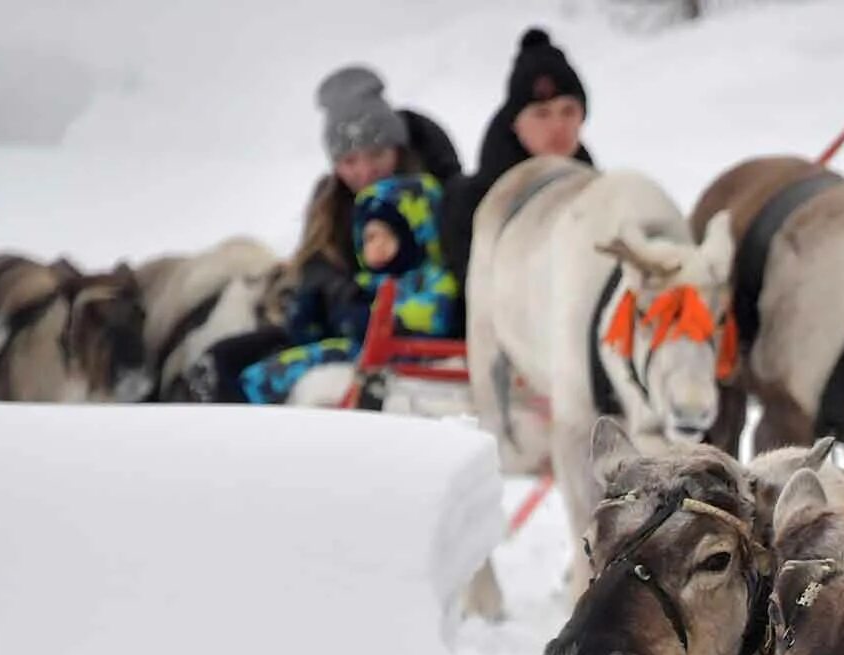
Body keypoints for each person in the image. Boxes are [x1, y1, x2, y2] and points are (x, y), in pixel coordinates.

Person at [178, 66, 460, 402]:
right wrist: (329, 294)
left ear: (398, 147)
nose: (365, 172)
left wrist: (367, 309)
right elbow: (314, 265)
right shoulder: (329, 203)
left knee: (269, 378)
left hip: (391, 335)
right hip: (336, 326)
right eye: (349, 162)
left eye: (376, 155)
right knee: (221, 361)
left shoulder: (430, 195)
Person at [238, 172, 459, 405]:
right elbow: (319, 331)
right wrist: (310, 313)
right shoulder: (363, 283)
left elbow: (430, 319)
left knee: (299, 367)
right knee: (266, 372)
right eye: (370, 238)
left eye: (389, 236)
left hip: (404, 357)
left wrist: (366, 318)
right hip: (360, 352)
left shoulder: (432, 280)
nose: (377, 246)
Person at [441, 28, 596, 292]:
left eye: (568, 111)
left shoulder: (597, 196)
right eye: (541, 114)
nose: (558, 126)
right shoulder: (471, 204)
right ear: (515, 123)